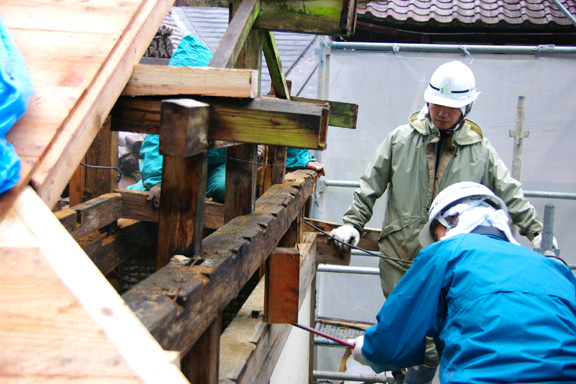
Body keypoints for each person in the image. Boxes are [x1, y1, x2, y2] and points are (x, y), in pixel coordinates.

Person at [329, 60, 553, 382]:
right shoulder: (400, 139)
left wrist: (537, 232)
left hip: (450, 265)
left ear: (467, 107)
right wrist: (353, 222)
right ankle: (402, 372)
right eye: (437, 103)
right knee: (401, 329)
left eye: (452, 107)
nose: (442, 112)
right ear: (427, 101)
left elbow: (509, 191)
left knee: (438, 342)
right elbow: (371, 184)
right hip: (399, 258)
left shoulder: (481, 152)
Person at [348, 181, 576, 383]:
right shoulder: (556, 269)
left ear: (451, 220)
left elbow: (398, 335)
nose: (437, 240)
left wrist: (368, 350)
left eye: (436, 234)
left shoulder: (448, 251)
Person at [128, 34, 325, 204]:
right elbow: (155, 149)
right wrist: (158, 183)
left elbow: (271, 122)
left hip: (216, 166)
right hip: (175, 169)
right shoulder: (170, 105)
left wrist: (301, 158)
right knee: (136, 195)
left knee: (227, 187)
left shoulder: (225, 99)